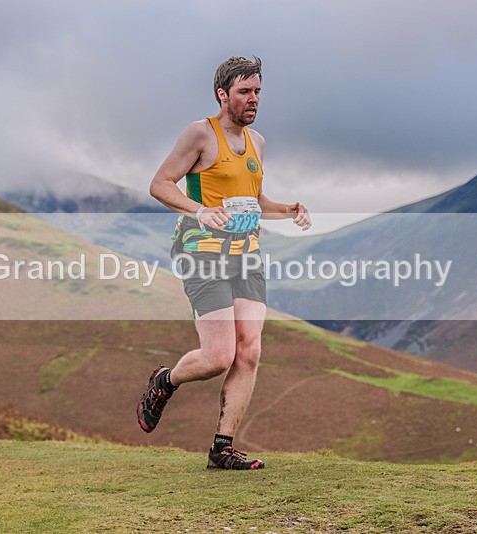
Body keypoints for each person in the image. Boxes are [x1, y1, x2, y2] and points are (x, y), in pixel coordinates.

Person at [137, 55, 311, 470]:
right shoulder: (200, 134)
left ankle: (223, 447)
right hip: (202, 253)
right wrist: (199, 211)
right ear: (222, 94)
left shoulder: (258, 143)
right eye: (244, 92)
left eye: (258, 93)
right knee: (219, 358)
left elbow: (253, 199)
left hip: (245, 255)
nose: (253, 100)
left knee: (248, 350)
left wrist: (287, 209)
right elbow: (159, 184)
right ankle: (166, 381)